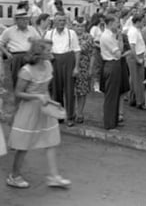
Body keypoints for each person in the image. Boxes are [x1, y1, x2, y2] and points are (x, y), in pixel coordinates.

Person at [6, 39, 71, 189]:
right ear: (39, 53)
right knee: (23, 145)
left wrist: (52, 103)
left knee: (51, 141)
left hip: (44, 108)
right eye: (48, 50)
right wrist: (37, 97)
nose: (51, 52)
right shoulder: (27, 70)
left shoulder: (48, 65)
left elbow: (44, 89)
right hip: (29, 110)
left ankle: (54, 176)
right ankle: (14, 176)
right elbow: (18, 93)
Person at [44, 13, 81, 127]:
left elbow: (77, 50)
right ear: (54, 22)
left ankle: (70, 116)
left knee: (70, 90)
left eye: (63, 20)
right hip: (55, 61)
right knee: (56, 90)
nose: (61, 22)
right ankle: (59, 115)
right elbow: (45, 49)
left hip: (68, 59)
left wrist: (76, 67)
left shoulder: (71, 33)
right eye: (59, 20)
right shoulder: (49, 34)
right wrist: (50, 57)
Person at [0, 9, 40, 88]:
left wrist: (34, 42)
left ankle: (29, 97)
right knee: (17, 79)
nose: (26, 21)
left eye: (27, 19)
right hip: (16, 57)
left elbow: (39, 41)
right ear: (17, 21)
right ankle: (19, 97)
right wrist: (7, 54)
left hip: (29, 56)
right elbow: (0, 43)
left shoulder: (32, 29)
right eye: (23, 19)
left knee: (30, 79)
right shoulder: (9, 31)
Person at [99, 15, 124, 130]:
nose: (118, 25)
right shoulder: (107, 37)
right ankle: (109, 123)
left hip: (114, 65)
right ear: (110, 23)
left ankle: (112, 121)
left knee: (115, 94)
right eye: (116, 22)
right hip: (111, 64)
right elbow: (118, 53)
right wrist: (119, 39)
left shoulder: (111, 35)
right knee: (111, 96)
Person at [73, 18, 94, 123]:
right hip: (71, 65)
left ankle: (80, 113)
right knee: (70, 91)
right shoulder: (70, 36)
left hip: (84, 66)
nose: (79, 28)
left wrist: (91, 68)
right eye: (77, 26)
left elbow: (92, 54)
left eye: (81, 26)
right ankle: (71, 112)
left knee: (82, 91)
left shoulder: (89, 37)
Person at [127, 14, 146, 109]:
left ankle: (133, 98)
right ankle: (140, 101)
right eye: (142, 21)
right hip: (136, 55)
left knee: (134, 79)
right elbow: (132, 46)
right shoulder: (134, 32)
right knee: (138, 80)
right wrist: (137, 59)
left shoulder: (135, 30)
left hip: (137, 55)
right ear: (138, 22)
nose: (143, 23)